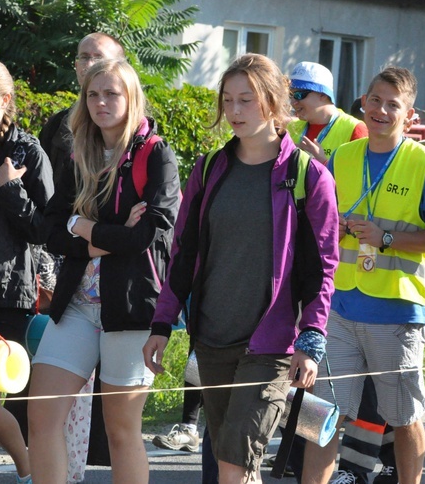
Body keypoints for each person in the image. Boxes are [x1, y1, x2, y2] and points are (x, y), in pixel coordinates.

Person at [142, 53, 339, 483]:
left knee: (233, 465)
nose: (233, 111)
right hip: (212, 337)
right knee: (230, 464)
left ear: (272, 102)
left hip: (271, 344)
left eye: (245, 100)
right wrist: (162, 323)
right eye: (227, 100)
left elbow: (324, 266)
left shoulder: (309, 175)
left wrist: (312, 335)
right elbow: (184, 251)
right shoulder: (210, 167)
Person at [301, 66, 425, 484]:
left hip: (397, 314)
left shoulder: (424, 164)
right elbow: (321, 220)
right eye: (375, 100)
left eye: (393, 104)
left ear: (409, 117)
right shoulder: (342, 157)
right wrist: (331, 228)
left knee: (404, 418)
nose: (381, 110)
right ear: (363, 103)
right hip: (338, 307)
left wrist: (386, 236)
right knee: (318, 414)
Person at [27, 59, 181, 484]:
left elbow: (147, 235)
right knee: (40, 417)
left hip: (130, 309)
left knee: (121, 432)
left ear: (131, 98)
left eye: (111, 93)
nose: (100, 102)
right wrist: (92, 234)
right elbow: (51, 231)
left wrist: (87, 228)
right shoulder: (79, 153)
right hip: (76, 304)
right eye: (93, 94)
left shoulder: (157, 154)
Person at [0, 57, 54, 484]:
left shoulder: (27, 151)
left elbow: (46, 228)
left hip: (4, 292)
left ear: (6, 100)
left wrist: (10, 187)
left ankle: (28, 470)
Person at [39, 32, 126, 184]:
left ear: (120, 66)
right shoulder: (56, 126)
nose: (90, 65)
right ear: (76, 65)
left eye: (99, 58)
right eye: (84, 57)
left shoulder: (138, 132)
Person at [287, 61, 367, 164]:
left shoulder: (355, 128)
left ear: (323, 94)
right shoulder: (291, 128)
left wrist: (323, 161)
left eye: (298, 95)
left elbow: (359, 177)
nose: (293, 102)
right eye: (290, 95)